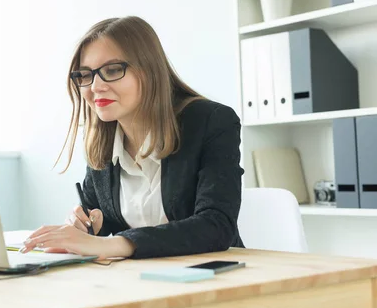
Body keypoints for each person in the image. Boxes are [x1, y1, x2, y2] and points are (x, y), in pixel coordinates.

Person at [20, 16, 245, 259]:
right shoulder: (102, 143)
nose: (95, 86)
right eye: (85, 75)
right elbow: (101, 220)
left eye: (113, 70)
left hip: (213, 277)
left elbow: (216, 226)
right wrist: (83, 228)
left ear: (149, 70)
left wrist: (114, 245)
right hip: (138, 280)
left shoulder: (210, 121)